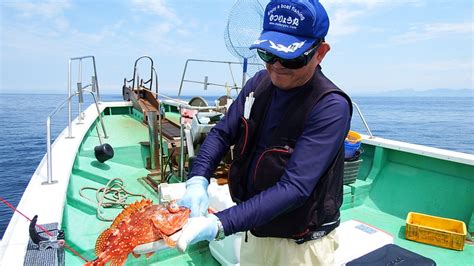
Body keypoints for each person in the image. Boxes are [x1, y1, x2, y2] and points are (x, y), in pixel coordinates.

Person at [136, 0, 352, 264]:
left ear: (321, 53)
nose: (276, 66)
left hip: (300, 246)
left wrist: (219, 224)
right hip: (255, 231)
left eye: (291, 57)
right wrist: (197, 180)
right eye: (267, 54)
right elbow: (222, 134)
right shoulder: (258, 84)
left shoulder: (330, 106)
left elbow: (295, 187)